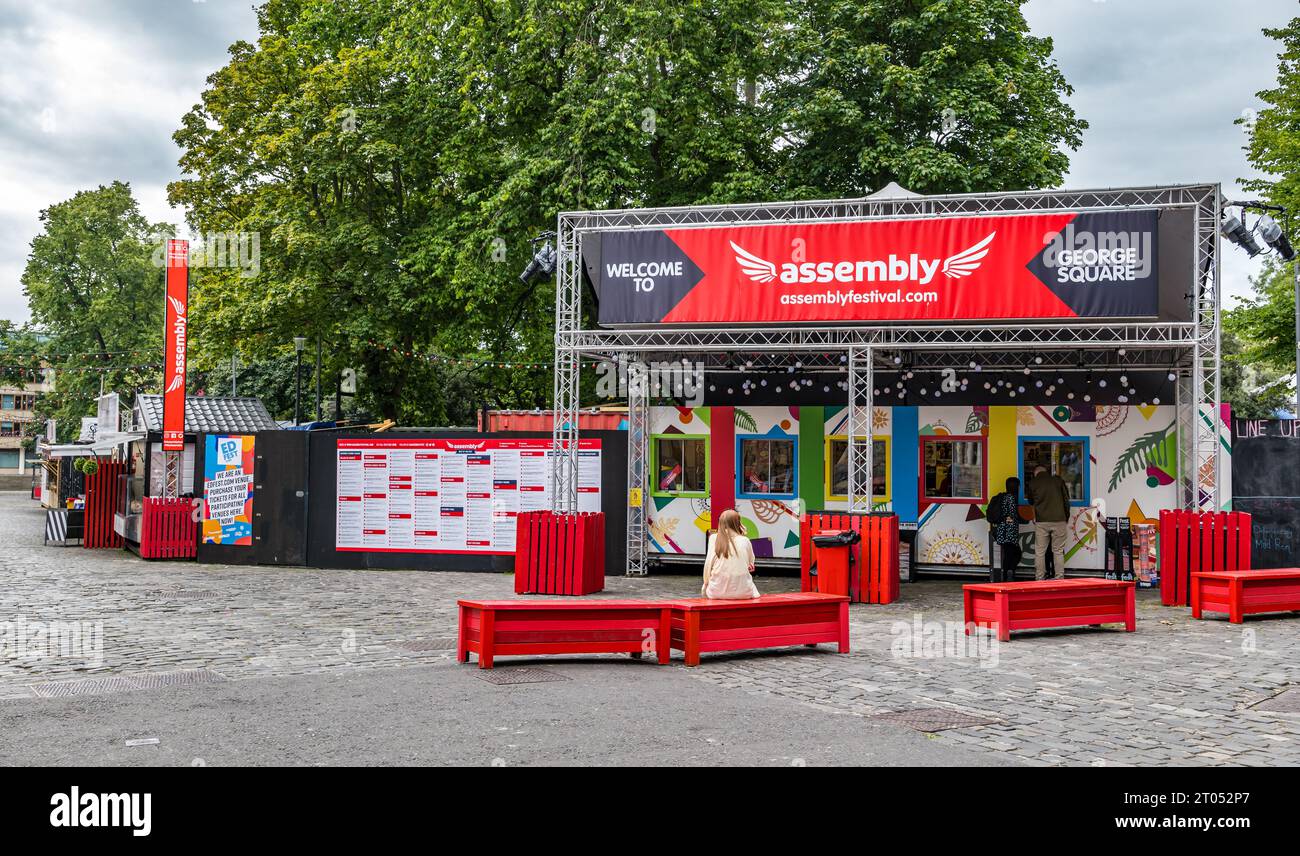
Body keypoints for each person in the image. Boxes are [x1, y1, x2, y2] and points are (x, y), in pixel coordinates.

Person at [702, 509, 760, 599]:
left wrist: (705, 585)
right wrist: (743, 533)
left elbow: (708, 565)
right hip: (744, 593)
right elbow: (750, 565)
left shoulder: (713, 538)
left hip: (716, 592)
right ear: (738, 524)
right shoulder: (745, 540)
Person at [1026, 465, 1071, 580]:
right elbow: (1066, 500)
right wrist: (1066, 517)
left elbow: (1031, 501)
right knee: (1058, 551)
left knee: (1040, 551)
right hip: (1059, 520)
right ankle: (1059, 577)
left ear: (1036, 473)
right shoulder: (1058, 480)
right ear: (1046, 471)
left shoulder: (1033, 483)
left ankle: (1039, 577)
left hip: (1042, 521)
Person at [986, 476, 1028, 582]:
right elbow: (1013, 516)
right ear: (1016, 487)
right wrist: (1026, 520)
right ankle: (1008, 573)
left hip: (1001, 530)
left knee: (1010, 552)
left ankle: (1007, 573)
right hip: (1009, 530)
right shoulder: (1011, 498)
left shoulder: (1002, 497)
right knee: (1013, 553)